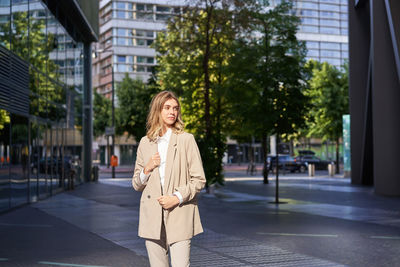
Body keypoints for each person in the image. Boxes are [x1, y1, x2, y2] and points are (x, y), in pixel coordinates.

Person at [132, 91, 206, 267]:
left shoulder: (186, 140)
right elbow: (136, 184)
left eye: (175, 108)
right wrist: (147, 168)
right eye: (167, 108)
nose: (172, 112)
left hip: (179, 212)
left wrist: (176, 198)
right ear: (157, 110)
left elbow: (199, 179)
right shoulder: (145, 142)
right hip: (152, 216)